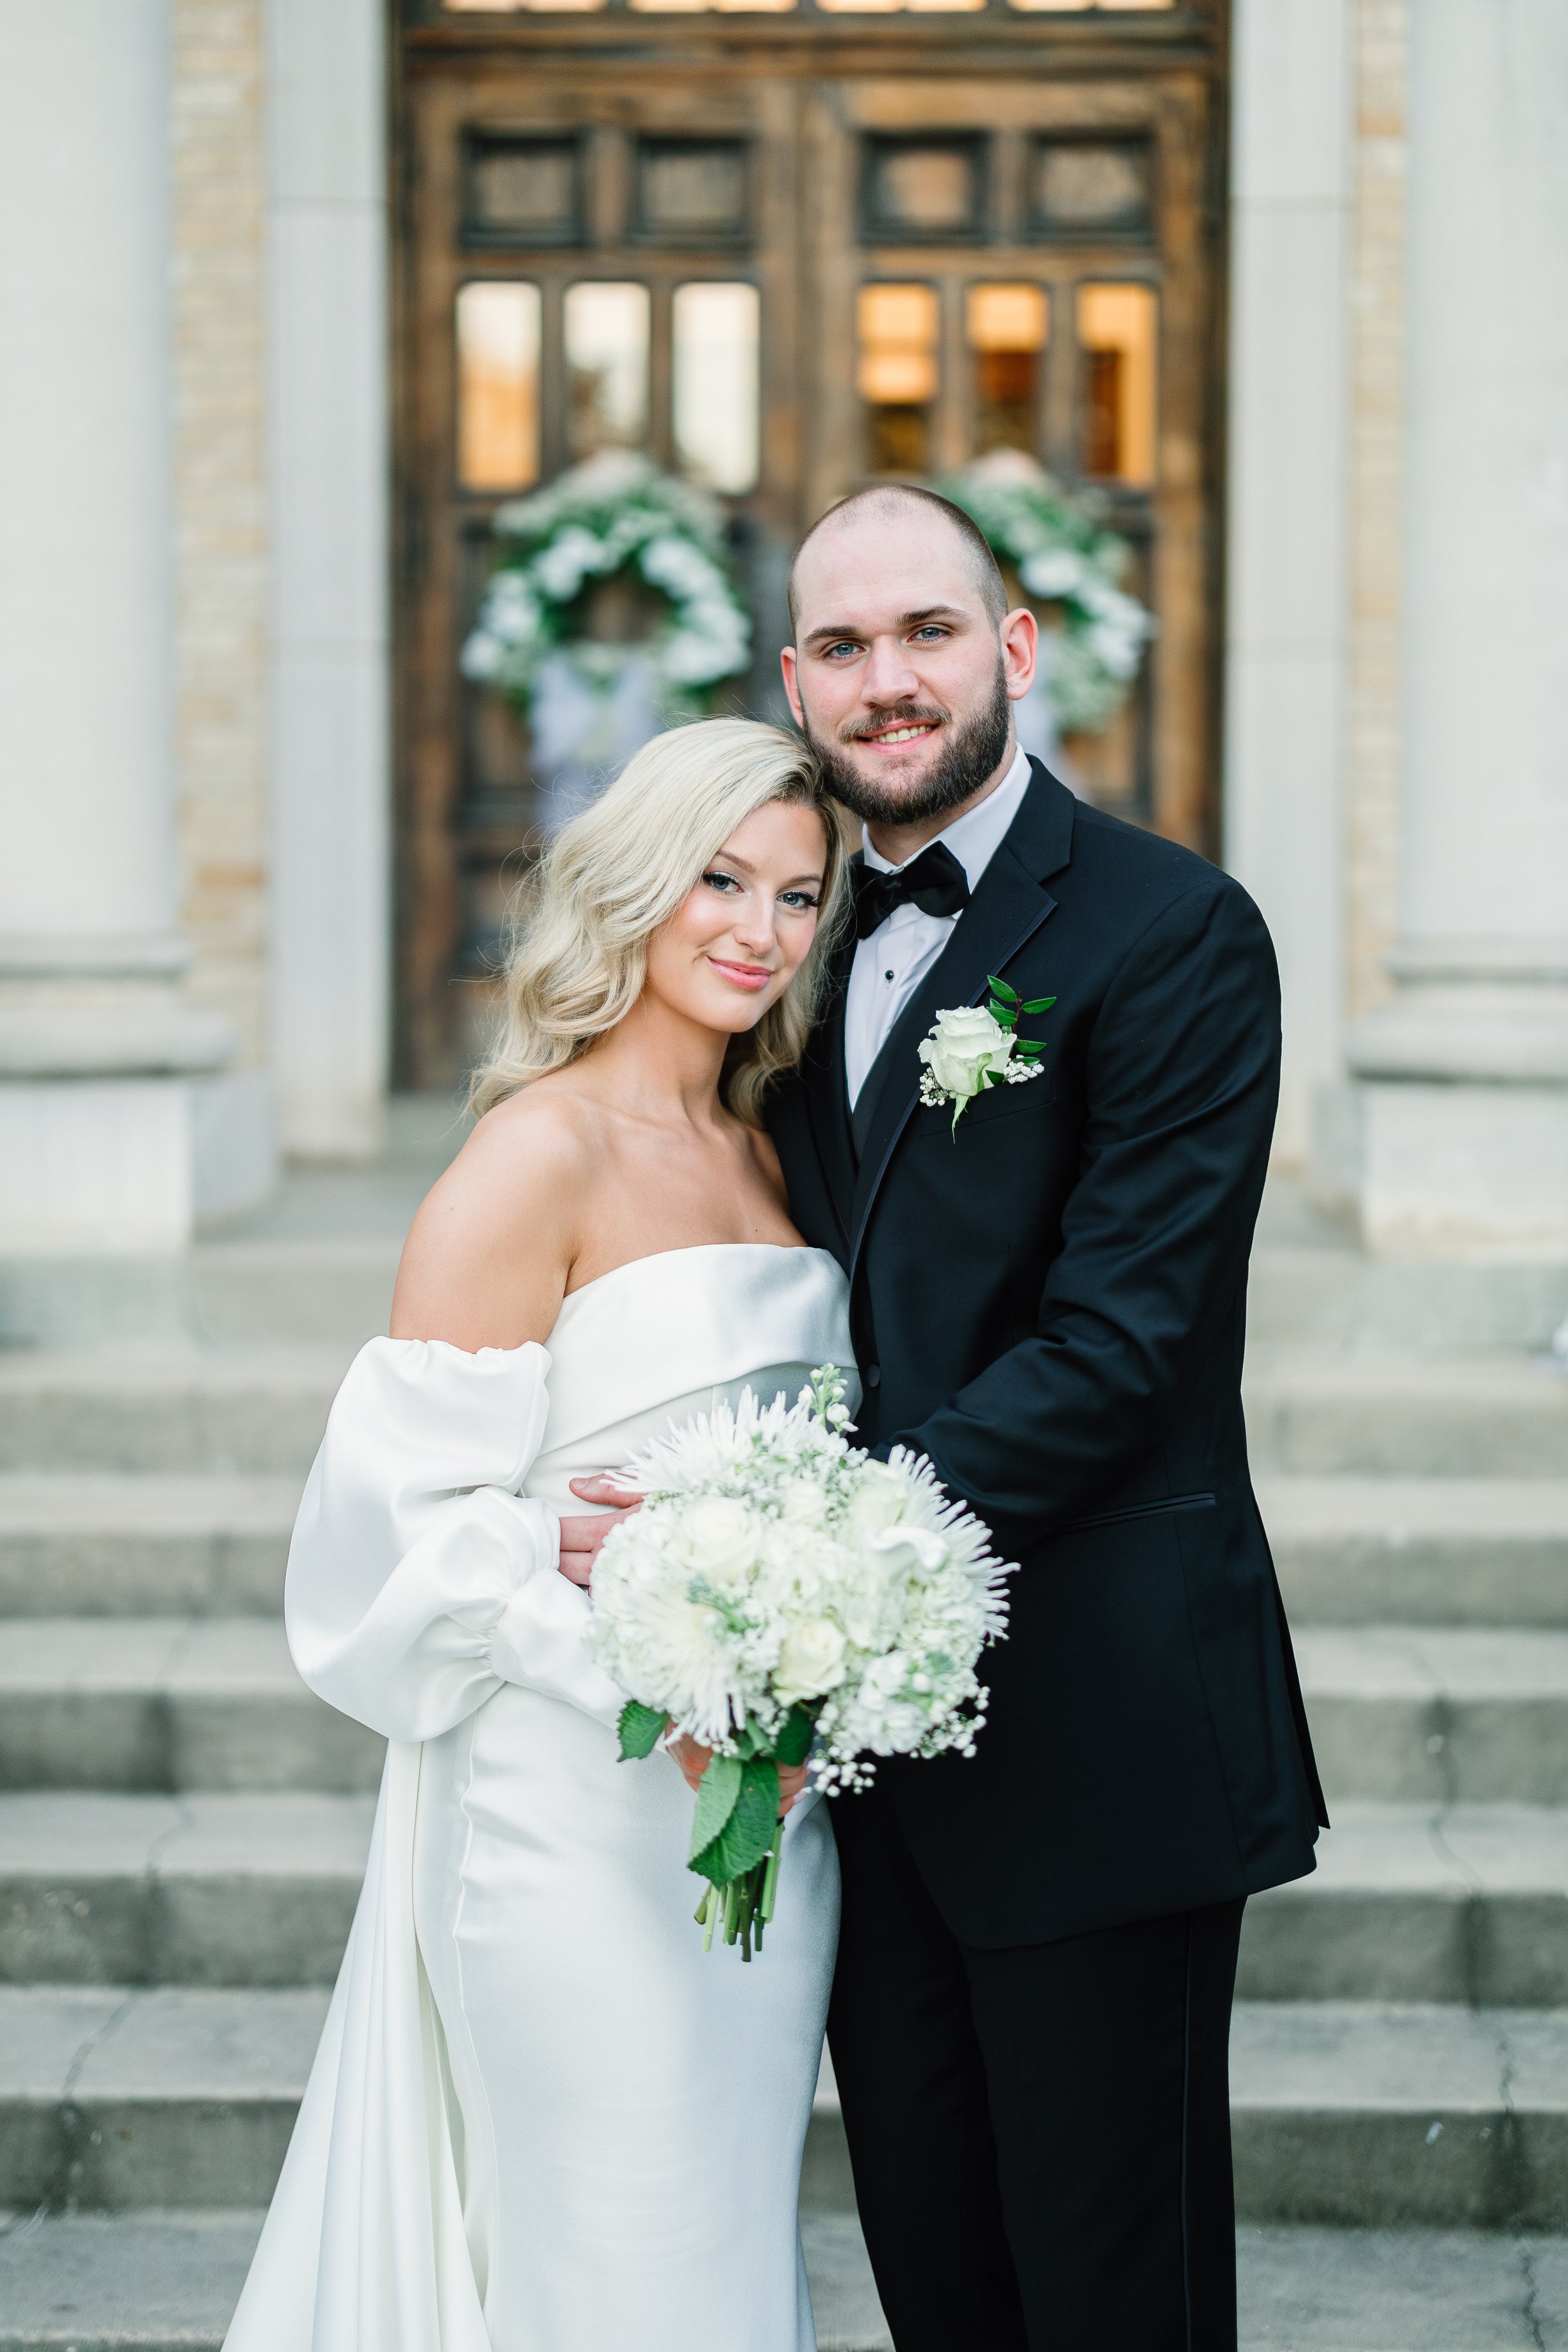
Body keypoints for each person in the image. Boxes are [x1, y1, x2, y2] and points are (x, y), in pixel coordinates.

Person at [763, 484, 1327, 2350]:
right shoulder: (781, 937)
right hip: (867, 1756)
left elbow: (1120, 1344)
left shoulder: (1172, 930)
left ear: (1011, 649)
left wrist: (792, 1557)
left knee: (1112, 2296)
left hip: (1095, 1731)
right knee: (941, 2278)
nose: (885, 682)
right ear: (795, 685)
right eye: (840, 649)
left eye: (924, 631)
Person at [224, 719, 856, 2352]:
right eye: (719, 880)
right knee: (601, 2254)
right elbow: (403, 1540)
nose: (757, 930)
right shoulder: (529, 1160)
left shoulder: (771, 1156)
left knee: (713, 2247)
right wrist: (662, 1691)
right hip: (568, 1818)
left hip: (759, 1824)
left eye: (798, 898)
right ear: (636, 885)